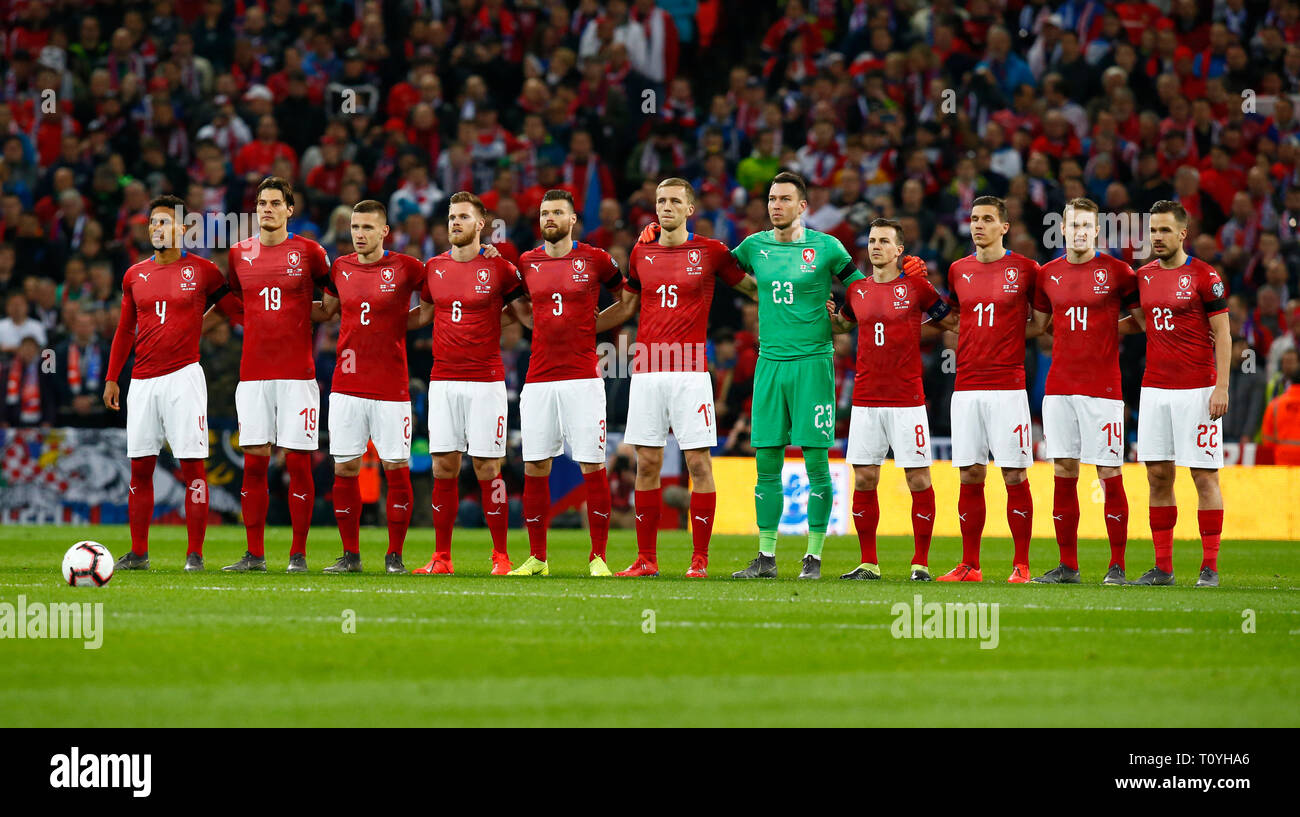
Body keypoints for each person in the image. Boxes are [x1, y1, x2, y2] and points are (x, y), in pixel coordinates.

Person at [601, 177, 756, 578]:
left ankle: (699, 561)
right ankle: (646, 560)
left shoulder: (712, 252)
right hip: (648, 370)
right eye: (660, 201)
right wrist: (585, 327)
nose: (665, 207)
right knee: (646, 462)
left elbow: (754, 290)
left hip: (690, 372)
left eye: (674, 201)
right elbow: (628, 305)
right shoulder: (640, 252)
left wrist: (801, 299)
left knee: (699, 464)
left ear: (690, 209)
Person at [728, 171, 867, 581]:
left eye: (785, 199)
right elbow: (716, 267)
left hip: (813, 364)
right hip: (769, 364)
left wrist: (843, 322)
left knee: (816, 463)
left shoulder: (826, 247)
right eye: (772, 198)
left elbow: (859, 290)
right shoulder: (754, 246)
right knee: (766, 462)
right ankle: (766, 558)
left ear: (803, 206)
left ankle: (813, 557)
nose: (776, 205)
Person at [103, 195, 238, 572]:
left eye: (165, 222)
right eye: (153, 223)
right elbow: (125, 328)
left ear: (183, 228)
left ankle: (194, 554)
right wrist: (113, 377)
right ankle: (139, 552)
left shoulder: (204, 271)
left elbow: (234, 312)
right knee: (140, 468)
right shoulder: (134, 275)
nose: (157, 229)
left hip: (184, 378)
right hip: (142, 382)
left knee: (193, 466)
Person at [828, 218, 957, 581]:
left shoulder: (916, 287)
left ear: (900, 249)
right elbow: (844, 324)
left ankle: (920, 563)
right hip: (866, 399)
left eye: (884, 241)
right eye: (872, 240)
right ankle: (868, 562)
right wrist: (830, 316)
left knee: (918, 479)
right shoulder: (857, 290)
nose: (876, 246)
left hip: (907, 398)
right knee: (865, 477)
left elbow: (950, 321)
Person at [507, 190, 626, 577]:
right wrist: (531, 324)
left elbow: (626, 300)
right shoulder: (527, 261)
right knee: (535, 466)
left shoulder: (594, 258)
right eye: (545, 213)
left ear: (573, 219)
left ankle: (599, 558)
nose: (550, 218)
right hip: (539, 379)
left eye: (558, 212)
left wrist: (592, 325)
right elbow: (516, 302)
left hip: (583, 378)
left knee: (592, 465)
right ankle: (538, 557)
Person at [408, 192, 527, 575]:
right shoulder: (434, 267)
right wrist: (379, 321)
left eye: (463, 217)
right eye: (451, 217)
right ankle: (441, 557)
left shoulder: (500, 269)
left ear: (481, 225)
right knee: (443, 466)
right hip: (442, 380)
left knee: (488, 467)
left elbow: (524, 310)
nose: (454, 223)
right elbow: (425, 312)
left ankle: (501, 556)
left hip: (486, 381)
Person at [221, 177, 330, 573]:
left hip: (298, 376)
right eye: (261, 203)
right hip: (252, 376)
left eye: (274, 203)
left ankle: (298, 554)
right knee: (253, 463)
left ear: (290, 209)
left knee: (299, 464)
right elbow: (235, 299)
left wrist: (310, 314)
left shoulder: (310, 252)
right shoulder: (238, 253)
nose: (266, 209)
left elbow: (333, 297)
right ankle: (254, 554)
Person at [1029, 198, 1140, 585]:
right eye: (1071, 224)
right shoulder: (1047, 274)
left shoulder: (1118, 272)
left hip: (1104, 389)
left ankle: (1117, 565)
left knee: (1109, 471)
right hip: (1059, 387)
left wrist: (1107, 329)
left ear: (1096, 230)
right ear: (1062, 229)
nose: (1078, 231)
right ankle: (1068, 566)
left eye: (1086, 225)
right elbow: (1040, 324)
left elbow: (1142, 319)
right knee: (1063, 469)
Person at [312, 200, 424, 574]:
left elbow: (438, 296)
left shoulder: (408, 267)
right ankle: (351, 556)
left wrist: (398, 325)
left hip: (392, 387)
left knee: (396, 468)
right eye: (355, 228)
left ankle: (395, 556)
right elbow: (326, 308)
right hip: (346, 386)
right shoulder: (339, 267)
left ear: (384, 232)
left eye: (367, 228)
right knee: (344, 468)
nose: (359, 234)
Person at [937, 196, 1043, 583]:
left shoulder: (1027, 269)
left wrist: (1009, 338)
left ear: (1004, 227)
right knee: (970, 473)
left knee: (1014, 474)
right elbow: (952, 318)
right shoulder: (958, 270)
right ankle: (970, 565)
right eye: (974, 219)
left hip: (1008, 386)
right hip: (966, 385)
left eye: (987, 219)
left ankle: (1022, 564)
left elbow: (1042, 322)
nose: (978, 225)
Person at [1133, 200, 1231, 587]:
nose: (1157, 237)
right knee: (1158, 475)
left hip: (1198, 388)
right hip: (1154, 388)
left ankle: (1209, 566)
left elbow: (1222, 333)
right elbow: (1142, 322)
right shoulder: (1143, 276)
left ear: (1182, 234)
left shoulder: (1205, 276)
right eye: (1153, 230)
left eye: (1164, 231)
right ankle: (1164, 567)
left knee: (1203, 475)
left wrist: (1221, 386)